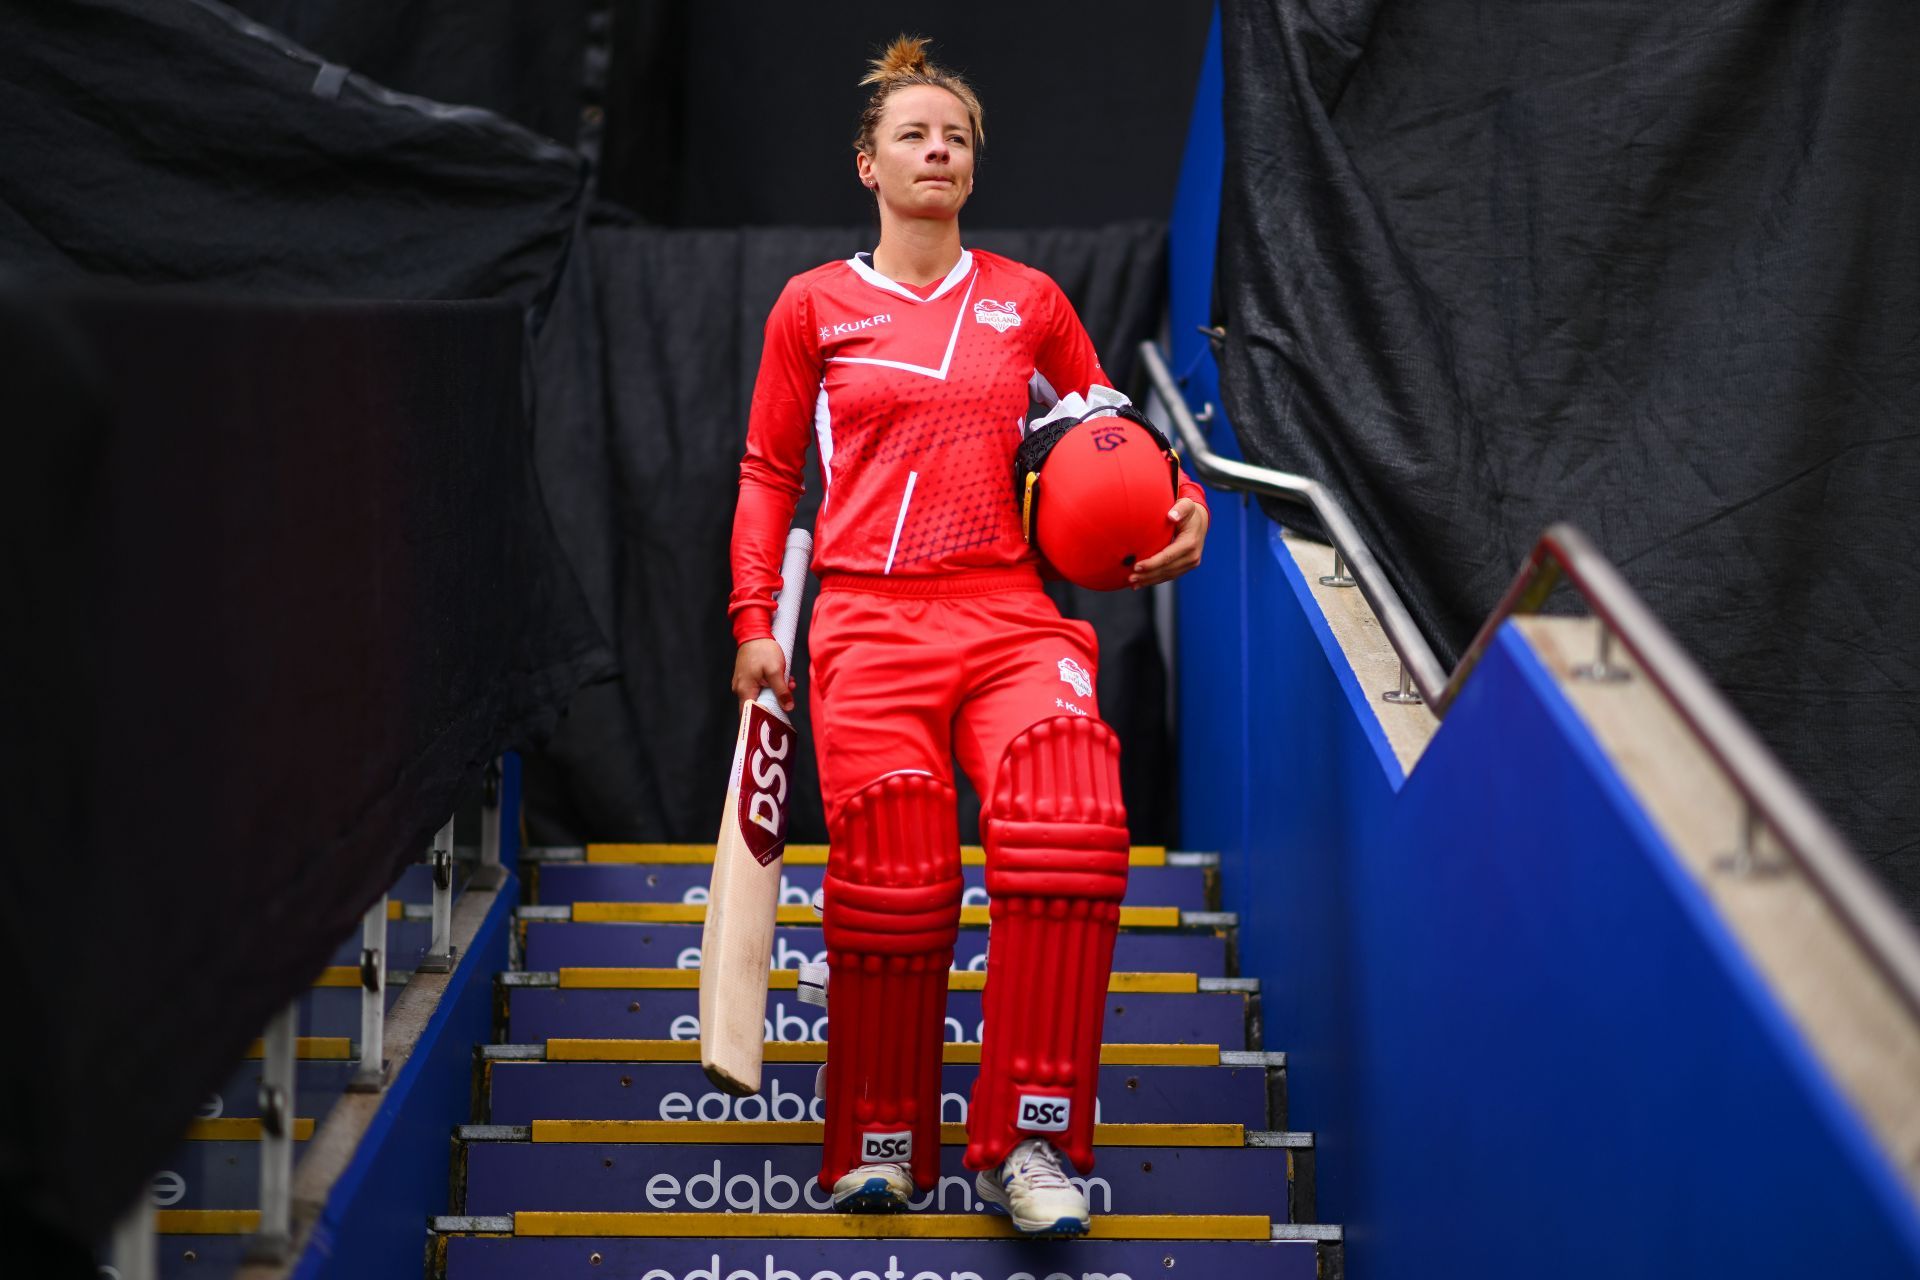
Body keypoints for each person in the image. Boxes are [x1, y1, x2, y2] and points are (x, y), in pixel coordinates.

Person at [727, 35, 1208, 1236]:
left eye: (955, 137)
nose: (937, 149)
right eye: (914, 134)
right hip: (869, 619)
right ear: (867, 165)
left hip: (1005, 611)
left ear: (972, 167)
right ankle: (880, 1135)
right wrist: (753, 621)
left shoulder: (1029, 303)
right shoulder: (814, 308)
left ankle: (1031, 1144)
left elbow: (1112, 440)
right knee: (896, 870)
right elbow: (767, 470)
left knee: (1071, 818)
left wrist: (1177, 508)